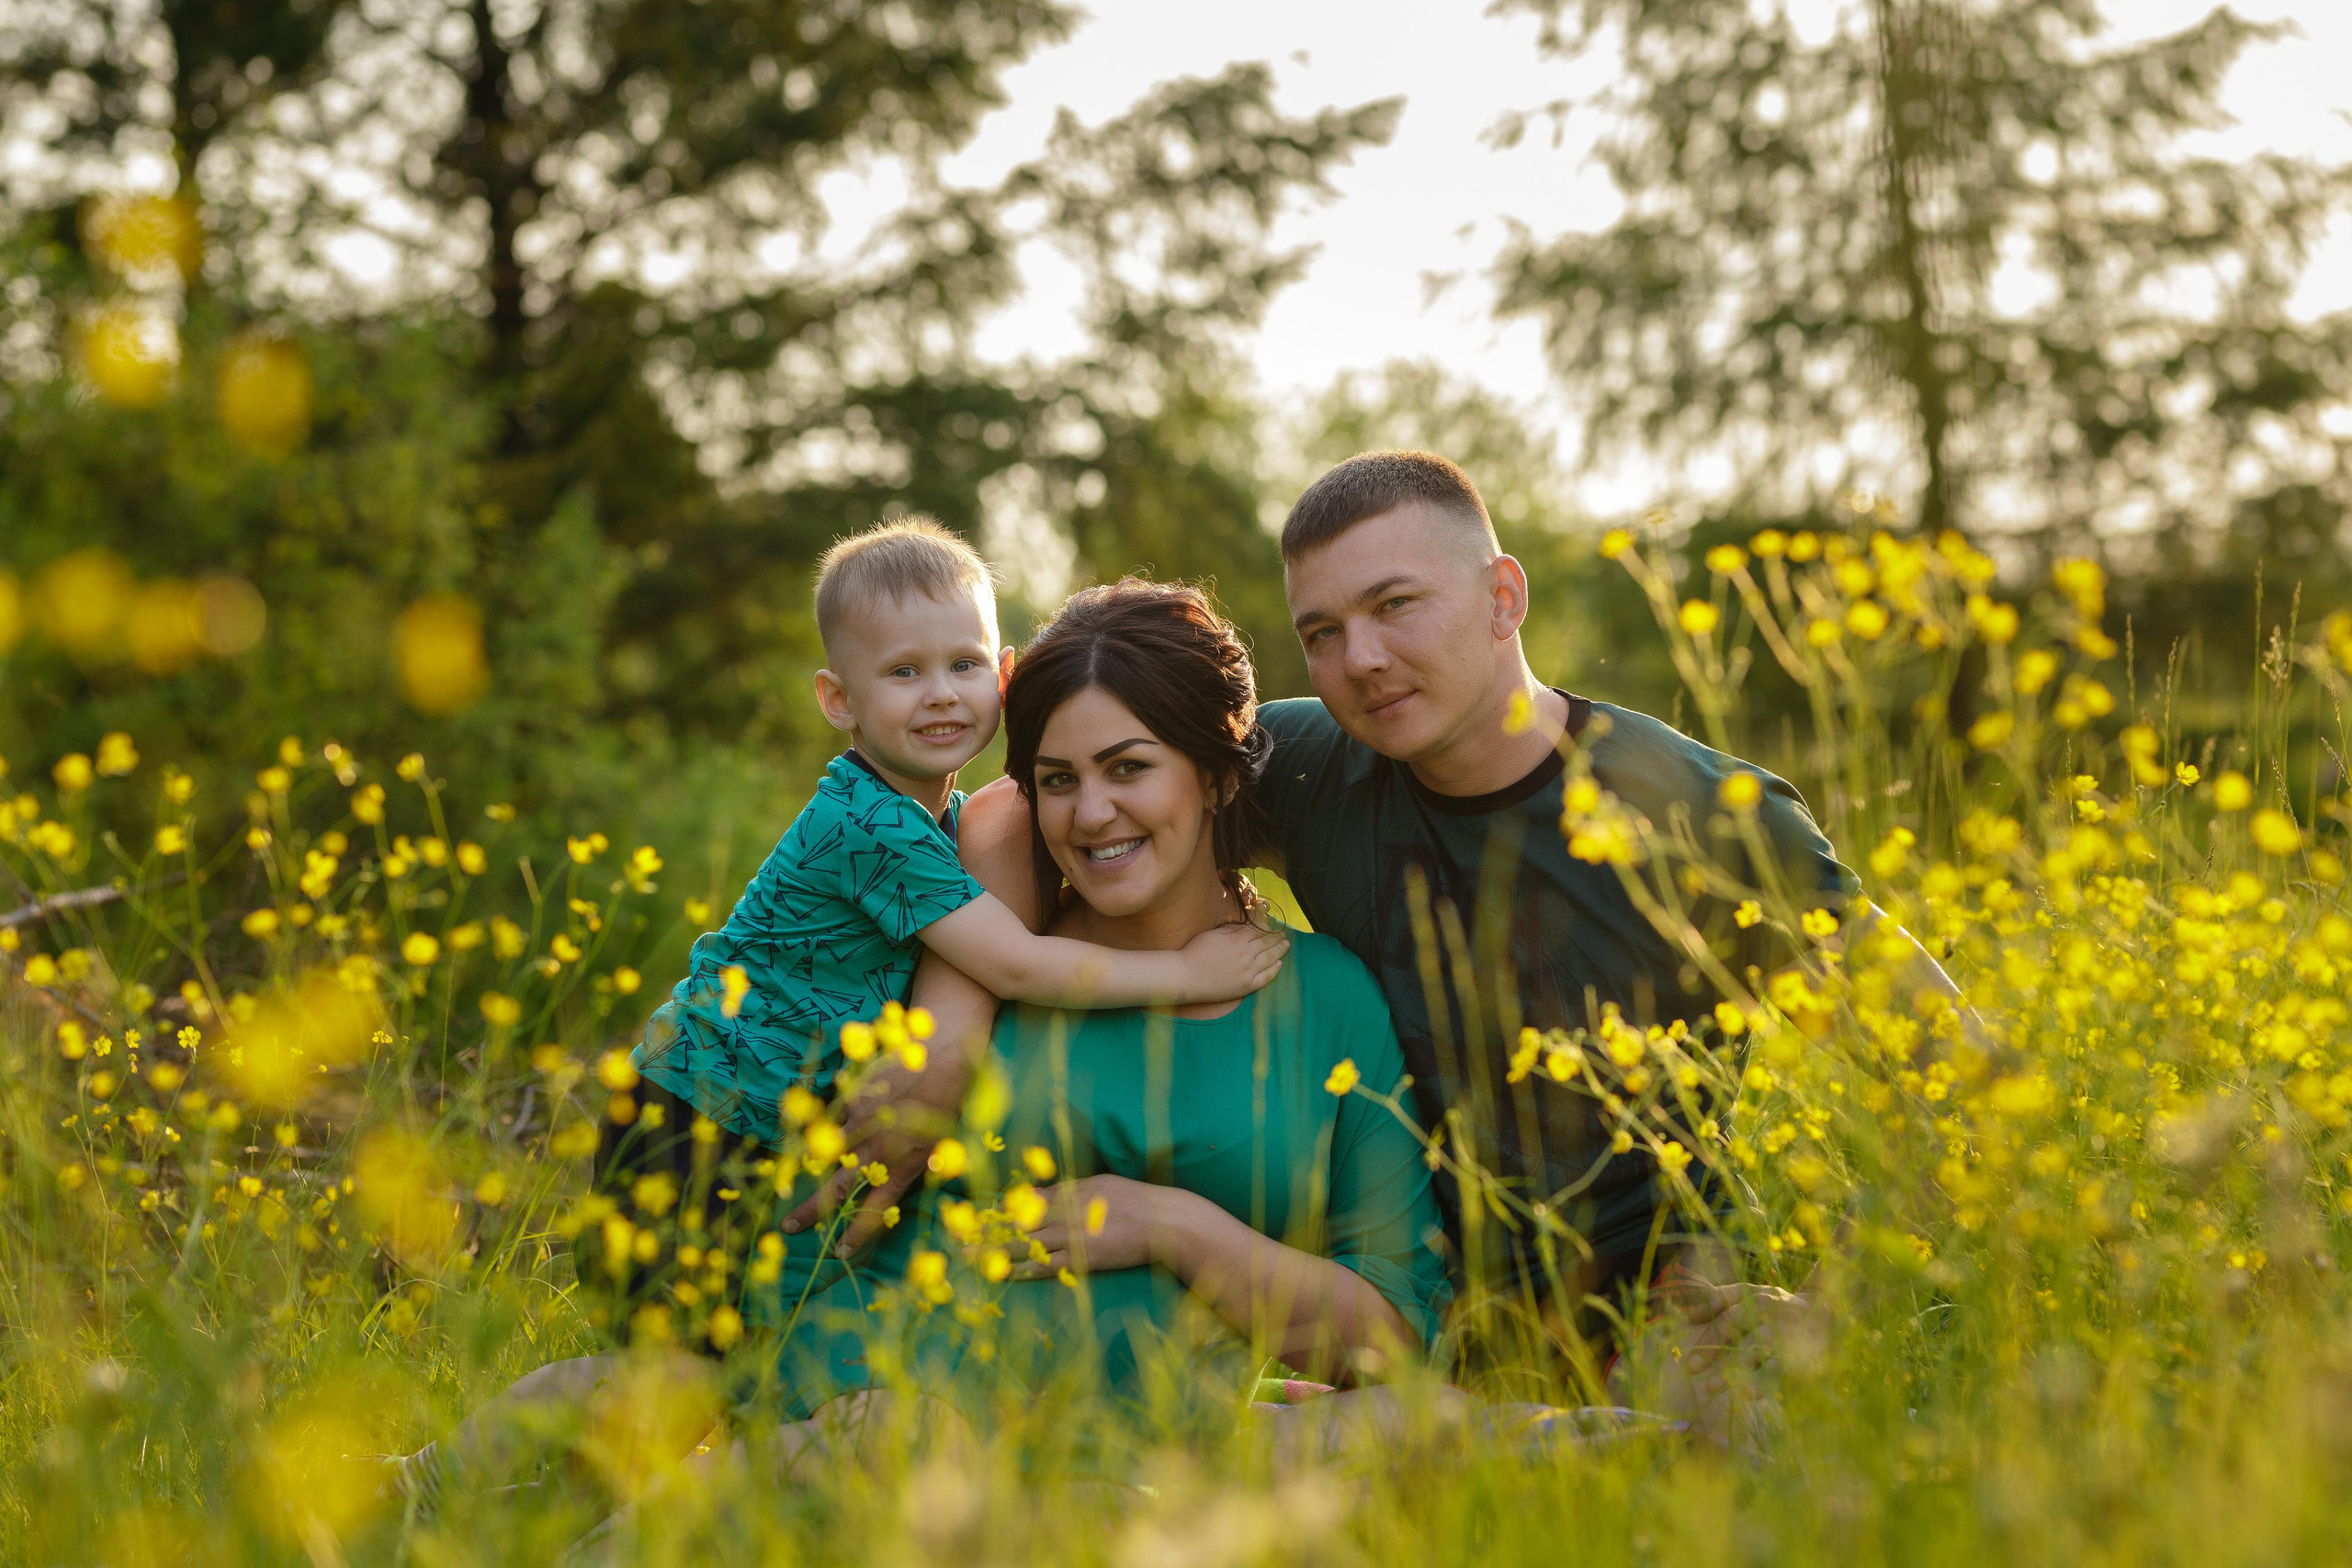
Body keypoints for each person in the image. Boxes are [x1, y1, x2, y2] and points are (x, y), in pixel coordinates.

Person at [813, 452, 1970, 1437]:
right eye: (1322, 631)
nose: (1359, 658)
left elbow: (1956, 1076)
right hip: (1413, 1318)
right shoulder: (1319, 762)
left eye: (1395, 606)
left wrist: (1833, 1311)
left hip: (1650, 1297)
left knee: (1703, 1478)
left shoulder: (1695, 814)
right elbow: (1045, 796)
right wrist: (954, 1033)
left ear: (1503, 596)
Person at [392, 580, 1446, 1522]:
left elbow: (1391, 1334)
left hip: (1122, 1469)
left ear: (1218, 774)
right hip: (875, 1388)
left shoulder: (1324, 1000)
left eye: (1130, 768)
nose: (1092, 813)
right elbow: (979, 825)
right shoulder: (984, 953)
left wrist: (1171, 1227)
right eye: (1057, 780)